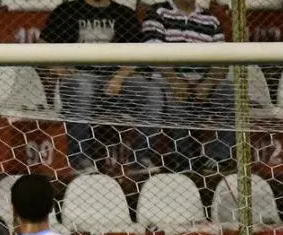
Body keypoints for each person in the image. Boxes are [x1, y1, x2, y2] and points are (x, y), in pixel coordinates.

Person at [41, 0, 159, 173]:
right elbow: (43, 43)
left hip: (117, 83)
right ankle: (80, 159)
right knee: (82, 86)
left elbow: (137, 54)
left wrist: (119, 77)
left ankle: (140, 158)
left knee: (152, 92)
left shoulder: (123, 13)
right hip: (80, 78)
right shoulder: (67, 10)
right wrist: (55, 67)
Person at [142, 0, 234, 174]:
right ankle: (184, 158)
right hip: (165, 78)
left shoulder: (210, 20)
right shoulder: (158, 12)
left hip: (201, 79)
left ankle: (219, 157)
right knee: (175, 96)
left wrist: (208, 83)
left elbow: (222, 61)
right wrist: (174, 80)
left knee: (228, 91)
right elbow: (153, 54)